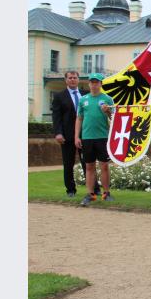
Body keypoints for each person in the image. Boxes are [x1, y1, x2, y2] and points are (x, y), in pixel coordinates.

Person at [51, 70, 96, 198]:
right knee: (68, 163)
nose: (72, 80)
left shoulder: (86, 94)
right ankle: (70, 190)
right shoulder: (59, 96)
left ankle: (94, 188)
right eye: (70, 78)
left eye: (74, 77)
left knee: (88, 162)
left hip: (86, 134)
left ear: (78, 79)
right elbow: (56, 117)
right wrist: (58, 133)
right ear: (66, 80)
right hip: (67, 136)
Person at [74, 73, 115, 206]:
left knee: (104, 165)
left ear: (101, 84)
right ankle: (90, 194)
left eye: (97, 82)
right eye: (92, 82)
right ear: (89, 84)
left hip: (103, 137)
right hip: (87, 137)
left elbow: (114, 119)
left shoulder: (108, 99)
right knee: (89, 166)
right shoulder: (83, 100)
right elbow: (79, 118)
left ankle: (106, 193)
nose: (94, 84)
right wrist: (76, 136)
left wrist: (107, 112)